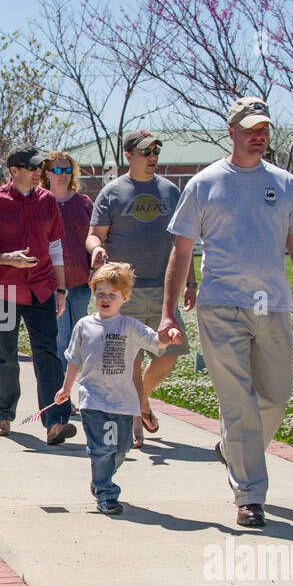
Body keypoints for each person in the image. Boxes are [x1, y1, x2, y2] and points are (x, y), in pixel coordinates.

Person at [161, 96, 293, 528]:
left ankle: (233, 450)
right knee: (239, 404)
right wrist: (169, 312)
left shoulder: (286, 184)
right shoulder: (205, 183)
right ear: (231, 131)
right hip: (220, 304)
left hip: (274, 306)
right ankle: (250, 495)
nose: (258, 134)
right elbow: (181, 251)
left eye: (263, 127)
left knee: (275, 398)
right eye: (249, 128)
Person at [87, 129, 196, 449]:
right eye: (146, 152)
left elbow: (183, 243)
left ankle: (142, 399)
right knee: (130, 360)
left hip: (165, 291)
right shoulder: (111, 192)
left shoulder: (171, 192)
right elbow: (95, 234)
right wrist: (95, 248)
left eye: (156, 152)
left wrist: (190, 282)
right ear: (129, 155)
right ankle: (136, 420)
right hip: (125, 293)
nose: (152, 157)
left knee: (169, 355)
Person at [0, 145, 75, 444]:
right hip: (2, 289)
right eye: (31, 168)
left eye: (39, 167)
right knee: (3, 355)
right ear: (13, 171)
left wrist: (61, 288)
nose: (37, 173)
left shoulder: (47, 201)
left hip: (41, 288)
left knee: (48, 355)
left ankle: (55, 421)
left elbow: (55, 247)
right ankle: (2, 415)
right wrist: (5, 258)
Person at [55, 262, 173, 514]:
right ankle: (106, 492)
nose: (105, 299)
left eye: (112, 295)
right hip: (92, 400)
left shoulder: (129, 326)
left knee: (121, 448)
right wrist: (65, 389)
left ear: (125, 297)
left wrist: (168, 335)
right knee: (101, 448)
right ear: (93, 294)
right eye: (100, 294)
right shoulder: (84, 326)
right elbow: (74, 359)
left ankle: (101, 478)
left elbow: (154, 341)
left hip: (123, 401)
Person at [42, 151, 93, 372]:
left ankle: (83, 391)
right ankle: (63, 400)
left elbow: (96, 235)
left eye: (68, 170)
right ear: (47, 173)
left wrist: (96, 269)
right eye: (58, 170)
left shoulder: (83, 202)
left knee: (82, 340)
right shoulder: (40, 202)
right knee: (61, 342)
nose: (63, 175)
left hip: (82, 282)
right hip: (53, 285)